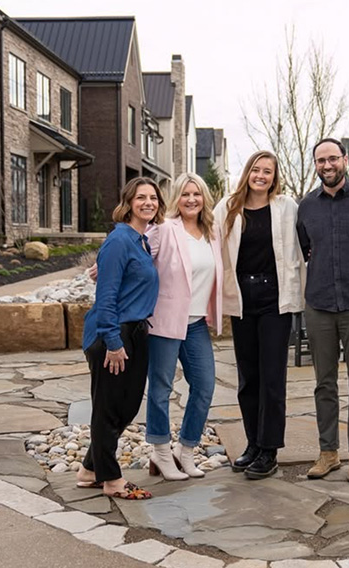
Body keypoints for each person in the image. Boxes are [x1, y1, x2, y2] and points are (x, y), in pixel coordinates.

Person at [213, 150, 305, 479]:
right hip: (242, 299)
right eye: (256, 169)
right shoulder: (227, 207)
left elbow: (307, 243)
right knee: (248, 378)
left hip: (274, 300)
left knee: (272, 378)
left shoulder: (286, 207)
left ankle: (269, 449)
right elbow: (205, 241)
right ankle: (252, 442)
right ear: (247, 172)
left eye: (268, 171)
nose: (261, 176)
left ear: (274, 176)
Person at [297, 138, 349, 483]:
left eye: (333, 158)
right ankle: (328, 453)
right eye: (321, 160)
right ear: (315, 165)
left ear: (345, 160)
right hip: (318, 304)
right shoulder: (306, 206)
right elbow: (305, 249)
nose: (327, 165)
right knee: (324, 384)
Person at [77, 177, 164, 500]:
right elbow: (107, 296)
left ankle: (88, 470)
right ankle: (111, 479)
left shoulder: (140, 240)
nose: (148, 203)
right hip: (114, 334)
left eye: (153, 198)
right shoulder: (119, 241)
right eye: (141, 198)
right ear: (128, 203)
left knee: (124, 407)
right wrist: (113, 342)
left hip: (136, 331)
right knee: (109, 409)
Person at [145, 173, 224, 480]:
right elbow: (136, 254)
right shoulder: (164, 228)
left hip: (196, 324)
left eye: (197, 194)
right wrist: (105, 265)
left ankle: (185, 451)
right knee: (161, 389)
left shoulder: (211, 231)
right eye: (185, 194)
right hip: (164, 321)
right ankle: (161, 453)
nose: (192, 199)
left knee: (204, 387)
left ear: (205, 198)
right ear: (176, 198)